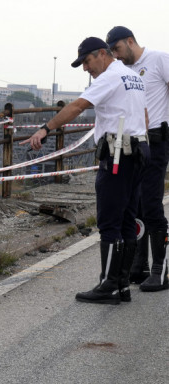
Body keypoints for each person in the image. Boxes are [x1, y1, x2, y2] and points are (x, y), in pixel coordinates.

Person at [20, 37, 149, 304]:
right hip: (138, 151)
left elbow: (78, 106)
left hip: (118, 154)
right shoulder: (132, 76)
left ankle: (108, 285)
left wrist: (45, 129)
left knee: (109, 221)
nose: (86, 69)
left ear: (102, 54)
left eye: (87, 62)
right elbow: (145, 114)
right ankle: (122, 285)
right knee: (127, 220)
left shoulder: (109, 77)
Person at [106, 26, 169, 292]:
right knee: (136, 204)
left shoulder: (158, 59)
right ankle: (139, 265)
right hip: (135, 142)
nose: (117, 56)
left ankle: (161, 270)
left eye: (118, 50)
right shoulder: (123, 70)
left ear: (130, 41)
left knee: (151, 203)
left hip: (157, 139)